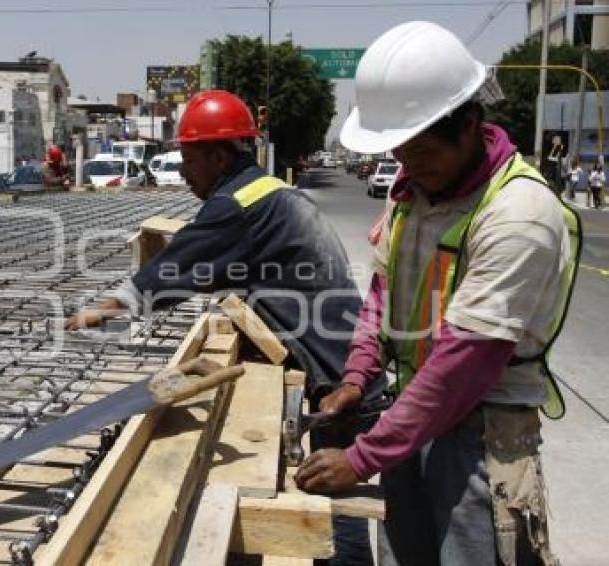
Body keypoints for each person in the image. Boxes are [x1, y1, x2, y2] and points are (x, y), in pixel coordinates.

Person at [295, 21, 581, 566]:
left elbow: (463, 365)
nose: (409, 167)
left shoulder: (518, 214)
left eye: (421, 151)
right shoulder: (413, 196)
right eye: (400, 153)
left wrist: (361, 458)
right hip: (409, 423)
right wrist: (357, 377)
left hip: (479, 442)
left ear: (469, 123)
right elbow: (383, 294)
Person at [65, 89, 377, 565]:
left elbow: (179, 263)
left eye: (189, 159)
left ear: (218, 155)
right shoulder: (265, 190)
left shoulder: (236, 205)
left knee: (334, 518)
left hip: (340, 378)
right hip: (347, 357)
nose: (185, 172)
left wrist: (102, 309)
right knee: (333, 505)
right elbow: (211, 267)